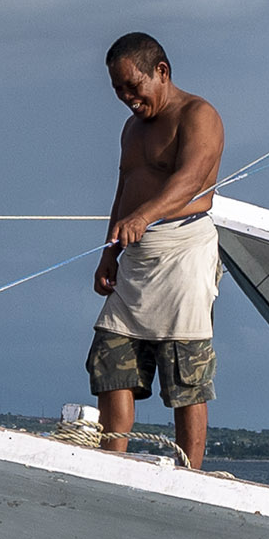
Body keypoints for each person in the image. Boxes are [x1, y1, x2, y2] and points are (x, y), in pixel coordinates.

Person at [90, 32, 225, 465]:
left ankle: (191, 475)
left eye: (134, 86)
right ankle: (112, 462)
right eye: (118, 89)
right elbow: (125, 187)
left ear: (161, 72)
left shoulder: (199, 115)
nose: (127, 97)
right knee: (111, 358)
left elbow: (190, 179)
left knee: (186, 373)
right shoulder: (131, 128)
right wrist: (108, 251)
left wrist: (145, 217)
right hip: (135, 254)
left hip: (184, 251)